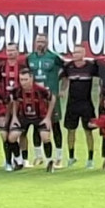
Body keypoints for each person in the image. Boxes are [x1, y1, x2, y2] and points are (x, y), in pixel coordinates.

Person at [26, 33, 65, 167]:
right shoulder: (30, 58)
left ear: (47, 43)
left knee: (54, 125)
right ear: (35, 42)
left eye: (43, 41)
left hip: (51, 97)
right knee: (37, 125)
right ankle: (38, 156)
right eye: (38, 41)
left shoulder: (54, 57)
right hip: (35, 98)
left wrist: (63, 88)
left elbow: (67, 71)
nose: (40, 44)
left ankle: (59, 156)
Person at [8, 69, 57, 172]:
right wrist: (14, 117)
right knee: (12, 137)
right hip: (24, 117)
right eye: (21, 80)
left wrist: (48, 117)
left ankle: (49, 162)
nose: (23, 82)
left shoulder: (40, 89)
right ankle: (19, 161)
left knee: (45, 137)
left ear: (31, 78)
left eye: (25, 79)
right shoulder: (17, 90)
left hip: (40, 117)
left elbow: (52, 98)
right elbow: (15, 102)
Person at [62, 45, 98, 168]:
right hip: (72, 104)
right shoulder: (69, 67)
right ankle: (71, 157)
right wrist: (63, 90)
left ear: (83, 54)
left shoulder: (90, 67)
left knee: (89, 131)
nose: (75, 54)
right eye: (74, 52)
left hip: (86, 104)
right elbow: (64, 78)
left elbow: (102, 75)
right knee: (70, 130)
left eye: (78, 52)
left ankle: (90, 159)